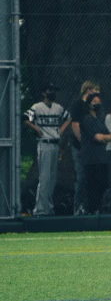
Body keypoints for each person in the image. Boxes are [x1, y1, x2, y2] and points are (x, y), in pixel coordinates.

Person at [23, 83, 71, 216]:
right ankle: (40, 209)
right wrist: (36, 129)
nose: (52, 93)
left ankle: (48, 207)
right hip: (44, 143)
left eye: (53, 90)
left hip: (55, 144)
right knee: (44, 178)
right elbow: (25, 118)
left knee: (52, 178)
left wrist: (61, 129)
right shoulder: (37, 107)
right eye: (49, 90)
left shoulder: (58, 108)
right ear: (44, 93)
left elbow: (68, 117)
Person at [80, 91, 111, 214]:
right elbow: (98, 137)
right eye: (94, 102)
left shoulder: (100, 120)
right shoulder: (87, 119)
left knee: (104, 183)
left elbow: (106, 134)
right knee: (92, 186)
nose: (97, 104)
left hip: (102, 158)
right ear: (89, 105)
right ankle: (91, 211)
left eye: (98, 102)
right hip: (91, 159)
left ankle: (98, 209)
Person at [69, 80, 100, 214]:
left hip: (92, 148)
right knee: (81, 177)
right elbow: (75, 125)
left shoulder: (92, 107)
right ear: (88, 90)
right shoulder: (78, 104)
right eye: (95, 91)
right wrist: (82, 142)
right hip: (80, 147)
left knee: (91, 177)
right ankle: (77, 207)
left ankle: (89, 207)